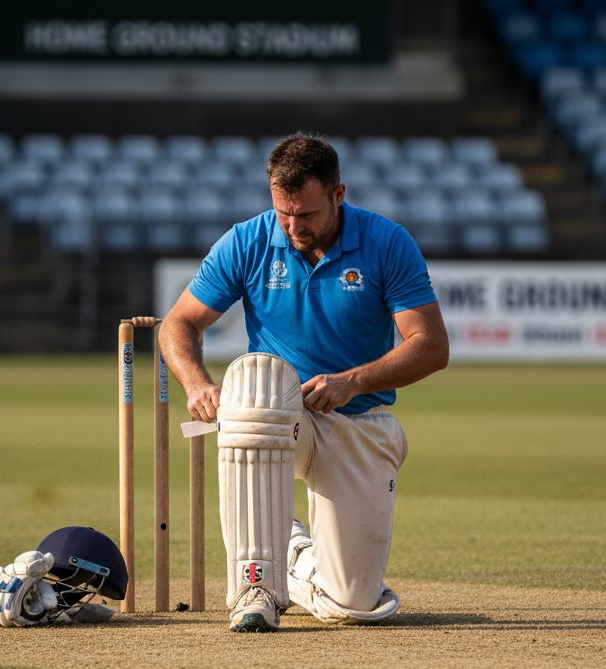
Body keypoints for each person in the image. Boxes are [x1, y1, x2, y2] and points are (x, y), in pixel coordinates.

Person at [159, 132, 448, 632]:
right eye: (283, 212)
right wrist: (196, 385)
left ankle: (288, 549)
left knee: (353, 605)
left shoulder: (386, 242)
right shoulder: (248, 240)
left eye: (307, 215)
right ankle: (256, 585)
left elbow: (431, 346)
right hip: (278, 416)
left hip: (358, 418)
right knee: (252, 387)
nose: (292, 227)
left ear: (339, 194)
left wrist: (352, 382)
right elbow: (177, 324)